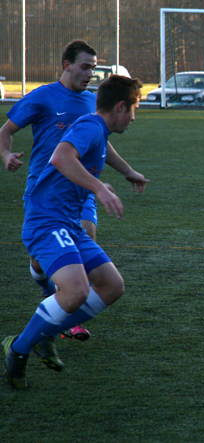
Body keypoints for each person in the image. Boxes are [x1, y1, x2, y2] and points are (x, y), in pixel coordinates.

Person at [3, 75, 148, 389]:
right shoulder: (91, 126)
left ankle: (46, 334)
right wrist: (101, 189)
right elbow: (61, 157)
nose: (134, 117)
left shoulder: (96, 129)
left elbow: (95, 152)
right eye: (134, 109)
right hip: (47, 221)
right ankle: (18, 348)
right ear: (120, 107)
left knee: (112, 286)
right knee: (77, 290)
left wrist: (126, 172)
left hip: (67, 223)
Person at [0, 40, 112, 341]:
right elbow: (5, 131)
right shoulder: (43, 97)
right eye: (85, 67)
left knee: (86, 234)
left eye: (93, 68)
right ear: (67, 65)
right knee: (41, 262)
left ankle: (70, 317)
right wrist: (6, 155)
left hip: (81, 189)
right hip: (44, 192)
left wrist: (127, 171)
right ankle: (46, 284)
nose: (90, 74)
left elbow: (101, 139)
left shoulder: (92, 103)